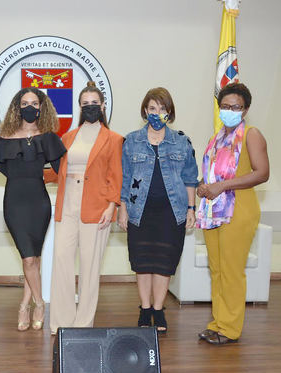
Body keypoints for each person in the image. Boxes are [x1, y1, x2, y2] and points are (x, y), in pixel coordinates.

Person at [45, 82, 123, 334]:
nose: (90, 107)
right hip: (67, 203)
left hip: (97, 206)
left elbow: (115, 176)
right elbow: (60, 172)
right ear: (79, 107)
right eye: (85, 103)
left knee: (90, 267)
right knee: (62, 261)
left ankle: (84, 324)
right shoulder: (67, 137)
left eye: (94, 103)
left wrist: (112, 206)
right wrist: (27, 171)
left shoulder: (113, 139)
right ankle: (62, 323)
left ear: (102, 106)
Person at [118, 87, 199, 333]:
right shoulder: (131, 140)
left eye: (162, 109)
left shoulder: (181, 142)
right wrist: (122, 209)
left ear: (170, 112)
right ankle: (144, 309)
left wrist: (191, 208)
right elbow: (125, 177)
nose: (157, 113)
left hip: (171, 212)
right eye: (152, 108)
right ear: (145, 111)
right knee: (142, 264)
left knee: (164, 265)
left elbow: (190, 178)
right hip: (139, 211)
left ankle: (158, 310)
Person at [196, 82, 269, 345]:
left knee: (231, 270)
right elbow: (214, 174)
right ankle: (217, 322)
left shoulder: (251, 134)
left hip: (240, 209)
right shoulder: (216, 138)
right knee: (216, 270)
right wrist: (204, 186)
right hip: (213, 211)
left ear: (246, 109)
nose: (230, 110)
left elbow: (262, 173)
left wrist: (222, 186)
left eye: (236, 107)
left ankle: (229, 328)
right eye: (225, 106)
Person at [0, 87, 66, 331]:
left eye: (34, 103)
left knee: (33, 258)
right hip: (14, 202)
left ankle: (24, 303)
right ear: (17, 107)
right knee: (28, 257)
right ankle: (39, 302)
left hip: (39, 203)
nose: (29, 107)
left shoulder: (48, 137)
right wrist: (16, 175)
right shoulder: (4, 137)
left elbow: (60, 170)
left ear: (42, 107)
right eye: (25, 103)